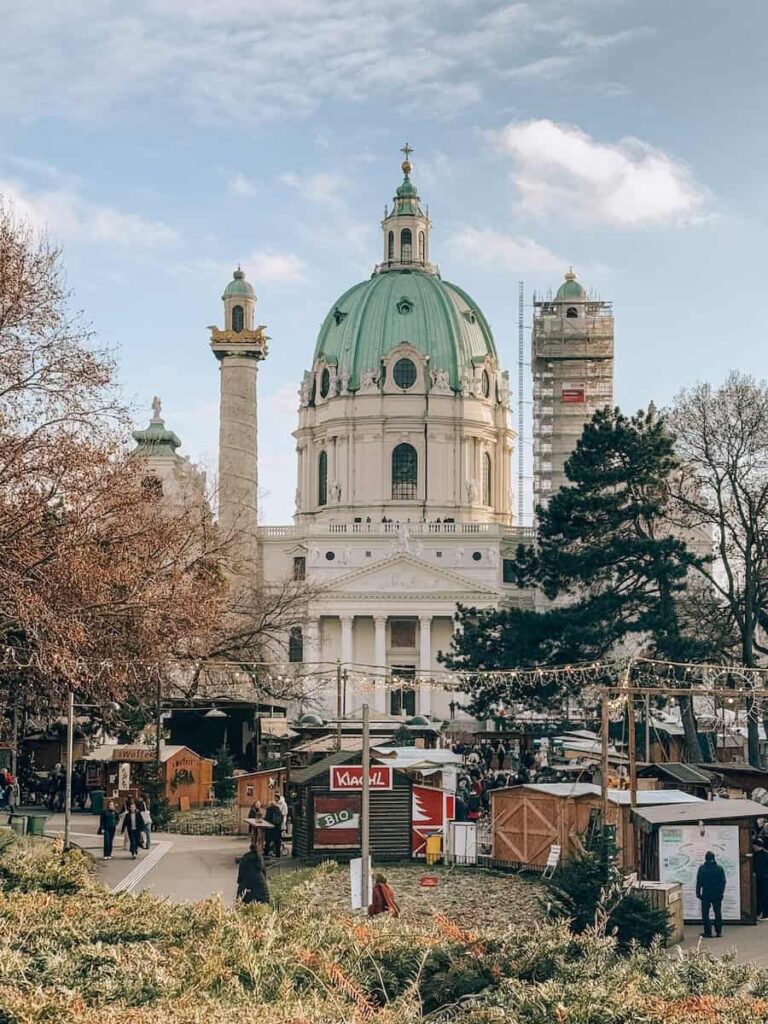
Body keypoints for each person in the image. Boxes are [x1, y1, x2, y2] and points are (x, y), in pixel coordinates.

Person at [696, 850, 726, 938]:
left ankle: (708, 932)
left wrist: (698, 893)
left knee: (705, 913)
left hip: (706, 893)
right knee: (717, 913)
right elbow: (723, 882)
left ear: (705, 858)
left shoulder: (702, 869)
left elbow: (699, 882)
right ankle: (718, 932)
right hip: (717, 893)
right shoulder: (719, 868)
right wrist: (721, 892)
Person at [236, 839, 270, 904]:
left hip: (246, 890)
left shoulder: (245, 858)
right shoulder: (259, 859)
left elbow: (240, 877)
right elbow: (264, 874)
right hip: (262, 895)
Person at [754, 837, 768, 920]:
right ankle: (761, 913)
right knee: (761, 896)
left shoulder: (759, 855)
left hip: (763, 878)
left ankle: (764, 913)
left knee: (763, 896)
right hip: (761, 877)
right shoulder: (764, 854)